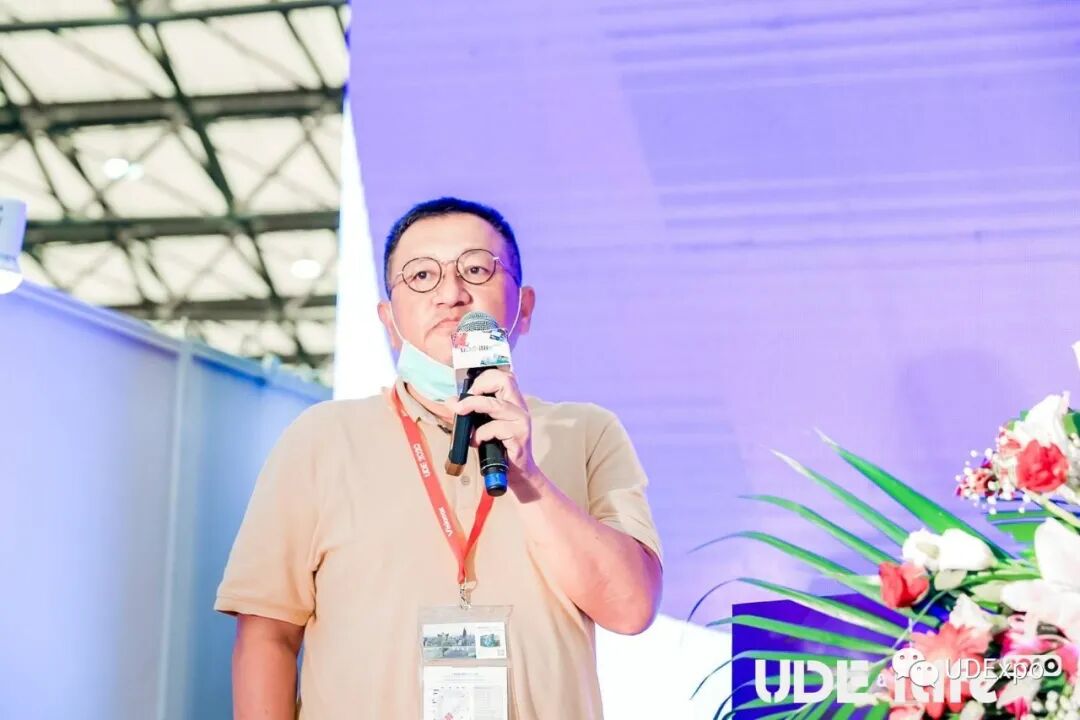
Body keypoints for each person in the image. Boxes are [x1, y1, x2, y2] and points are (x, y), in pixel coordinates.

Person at [215, 197, 663, 719]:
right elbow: (267, 636)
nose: (451, 294)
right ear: (388, 319)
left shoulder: (587, 431)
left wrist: (529, 475)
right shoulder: (321, 438)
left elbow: (630, 608)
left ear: (524, 307)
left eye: (476, 269)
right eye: (422, 275)